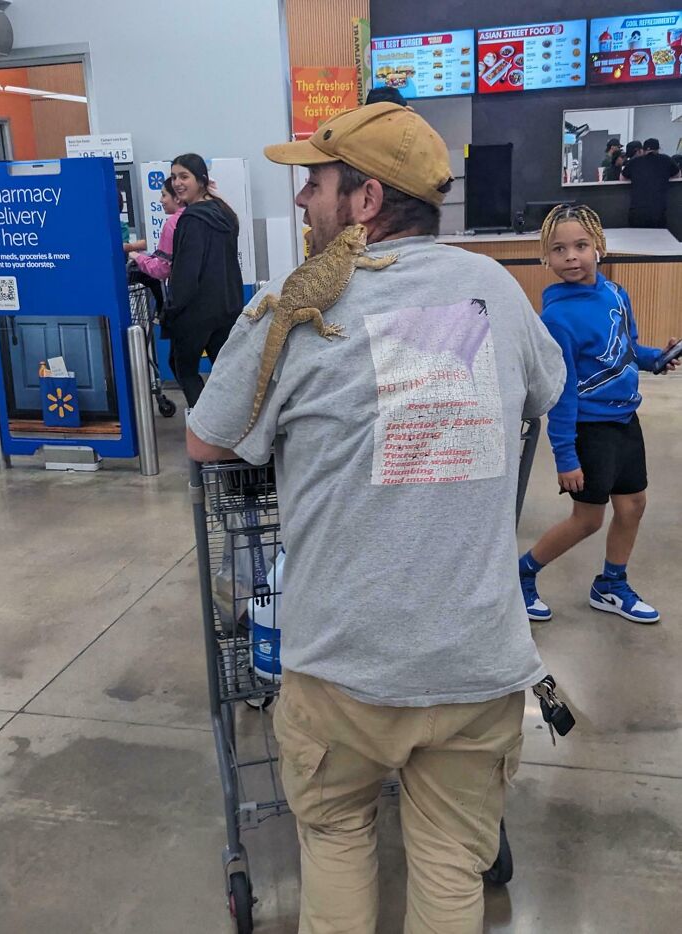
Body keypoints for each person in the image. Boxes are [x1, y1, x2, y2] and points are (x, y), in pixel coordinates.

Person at [186, 102, 566, 933]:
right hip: (478, 660)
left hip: (345, 668)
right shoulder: (494, 289)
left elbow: (206, 440)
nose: (300, 203)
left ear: (364, 201)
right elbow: (547, 387)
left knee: (336, 840)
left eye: (314, 185)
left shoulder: (294, 311)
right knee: (449, 868)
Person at [519, 203, 680, 625]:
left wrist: (656, 359)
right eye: (559, 249)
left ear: (599, 248)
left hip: (626, 420)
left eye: (580, 245)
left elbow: (626, 351)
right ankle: (522, 574)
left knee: (633, 506)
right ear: (546, 257)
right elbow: (563, 393)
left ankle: (610, 584)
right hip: (590, 429)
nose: (571, 256)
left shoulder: (615, 294)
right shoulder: (556, 318)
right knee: (588, 518)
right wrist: (566, 457)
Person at [162, 153, 243, 407]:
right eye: (174, 177)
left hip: (195, 313)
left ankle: (206, 425)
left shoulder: (191, 219)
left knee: (182, 367)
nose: (177, 183)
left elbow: (186, 273)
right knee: (226, 373)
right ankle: (232, 424)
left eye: (184, 176)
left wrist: (171, 310)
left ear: (201, 180)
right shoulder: (225, 213)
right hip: (227, 308)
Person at [129, 177, 184, 281]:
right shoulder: (200, 215)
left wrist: (137, 257)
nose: (161, 200)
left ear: (177, 197)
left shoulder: (173, 223)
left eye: (164, 195)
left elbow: (162, 269)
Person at [621, 137, 680, 227]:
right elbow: (677, 175)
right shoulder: (666, 160)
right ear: (658, 149)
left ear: (643, 150)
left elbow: (622, 178)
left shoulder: (634, 162)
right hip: (658, 211)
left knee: (636, 239)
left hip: (637, 211)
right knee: (657, 239)